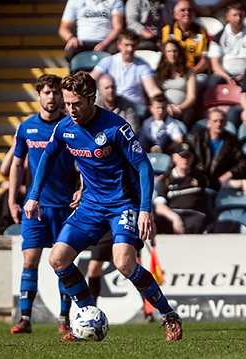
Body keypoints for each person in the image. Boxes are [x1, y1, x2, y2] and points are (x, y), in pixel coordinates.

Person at [22, 71, 183, 342]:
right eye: (67, 103)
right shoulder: (65, 128)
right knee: (57, 259)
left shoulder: (116, 127)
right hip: (90, 206)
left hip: (123, 204)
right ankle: (86, 314)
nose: (71, 110)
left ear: (92, 99)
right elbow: (47, 158)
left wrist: (145, 210)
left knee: (124, 263)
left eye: (77, 104)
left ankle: (169, 316)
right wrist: (33, 195)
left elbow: (143, 166)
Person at [9, 74, 82, 335]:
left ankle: (64, 319)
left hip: (65, 207)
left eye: (56, 93)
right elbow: (17, 164)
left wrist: (82, 188)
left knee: (63, 263)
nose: (52, 97)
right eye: (47, 92)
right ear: (38, 95)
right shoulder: (26, 128)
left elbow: (83, 161)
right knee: (30, 260)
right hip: (35, 207)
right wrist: (12, 200)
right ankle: (25, 318)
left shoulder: (69, 126)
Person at [91, 30, 163, 120]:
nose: (130, 49)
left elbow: (152, 90)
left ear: (137, 45)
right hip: (112, 105)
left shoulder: (143, 66)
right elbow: (90, 79)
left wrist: (163, 103)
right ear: (119, 45)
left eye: (133, 45)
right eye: (126, 45)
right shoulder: (108, 61)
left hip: (135, 108)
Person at [186, 108, 246, 193]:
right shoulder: (194, 138)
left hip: (218, 183)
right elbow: (180, 156)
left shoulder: (232, 142)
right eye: (215, 121)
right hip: (196, 181)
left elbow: (244, 162)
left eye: (222, 121)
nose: (219, 124)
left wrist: (229, 173)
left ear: (226, 123)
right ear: (209, 124)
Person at [154, 143, 210, 234]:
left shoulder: (201, 177)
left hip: (195, 216)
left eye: (188, 156)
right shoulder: (166, 179)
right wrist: (175, 217)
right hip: (172, 215)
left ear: (192, 158)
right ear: (174, 158)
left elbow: (220, 184)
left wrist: (241, 182)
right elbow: (160, 207)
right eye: (182, 156)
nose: (185, 160)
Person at [207, 2, 246, 87]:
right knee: (212, 83)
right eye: (234, 15)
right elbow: (215, 63)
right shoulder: (218, 37)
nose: (238, 18)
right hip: (223, 74)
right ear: (227, 17)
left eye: (241, 15)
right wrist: (227, 77)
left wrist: (242, 76)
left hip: (245, 74)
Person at [59, 0, 125, 63]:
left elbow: (118, 28)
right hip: (82, 42)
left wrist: (105, 43)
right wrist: (71, 38)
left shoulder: (115, 1)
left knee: (117, 53)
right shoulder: (75, 1)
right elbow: (63, 28)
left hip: (107, 42)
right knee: (71, 52)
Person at [162, 1, 210, 81]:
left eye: (190, 10)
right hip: (173, 72)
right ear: (175, 15)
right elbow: (165, 56)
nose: (187, 13)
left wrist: (192, 73)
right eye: (182, 10)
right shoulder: (167, 30)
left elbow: (204, 60)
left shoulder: (201, 31)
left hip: (194, 72)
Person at [154, 39, 198, 127]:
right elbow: (155, 93)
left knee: (188, 116)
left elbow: (191, 96)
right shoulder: (158, 73)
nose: (172, 54)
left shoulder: (189, 72)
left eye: (175, 51)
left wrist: (180, 108)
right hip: (164, 109)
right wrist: (167, 107)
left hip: (183, 110)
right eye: (169, 51)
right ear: (164, 54)